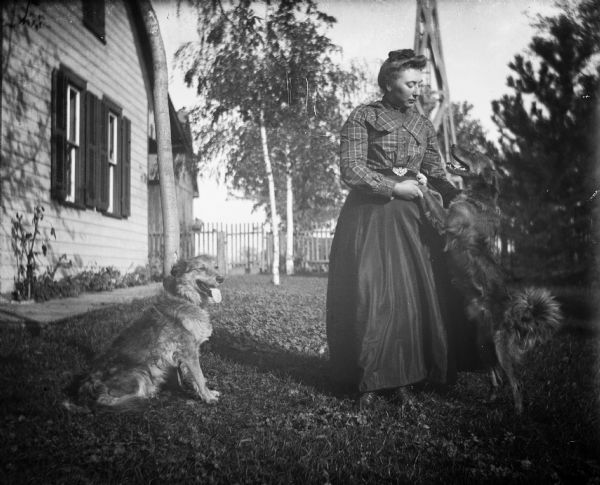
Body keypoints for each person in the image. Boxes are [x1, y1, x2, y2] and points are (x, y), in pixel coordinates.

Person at [325, 49, 467, 408]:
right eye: (410, 83)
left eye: (420, 84)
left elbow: (436, 171)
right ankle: (370, 380)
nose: (417, 91)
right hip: (369, 219)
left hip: (412, 224)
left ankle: (408, 377)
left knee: (411, 299)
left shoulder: (422, 124)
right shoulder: (363, 117)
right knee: (371, 295)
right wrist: (392, 187)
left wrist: (456, 197)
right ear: (389, 82)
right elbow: (351, 169)